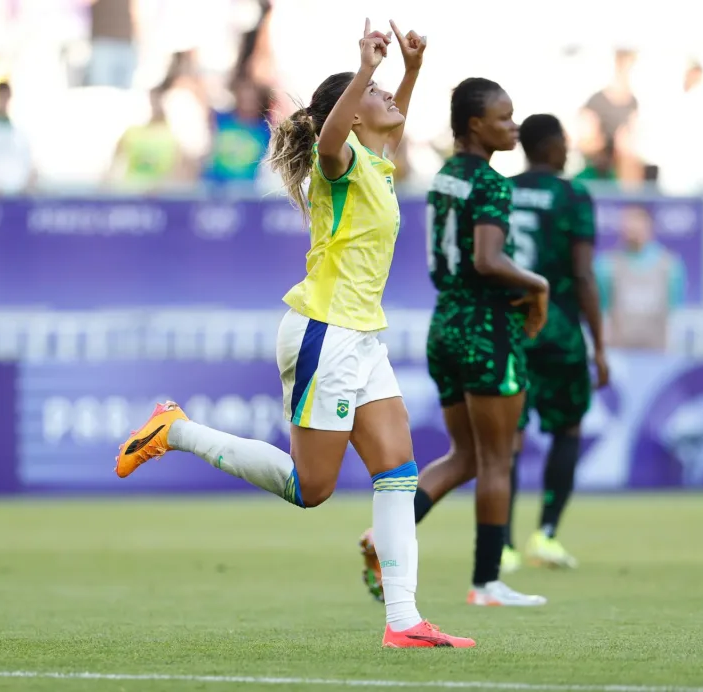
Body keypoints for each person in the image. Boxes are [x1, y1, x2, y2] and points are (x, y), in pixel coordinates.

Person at [115, 18, 475, 650]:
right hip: (324, 333)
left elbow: (378, 120)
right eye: (377, 94)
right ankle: (175, 430)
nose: (388, 97)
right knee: (312, 490)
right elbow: (337, 132)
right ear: (351, 114)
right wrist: (363, 68)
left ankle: (403, 622)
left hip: (362, 338)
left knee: (398, 473)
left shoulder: (376, 161)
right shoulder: (336, 161)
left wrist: (409, 73)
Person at [361, 78, 550, 607]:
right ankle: (487, 582)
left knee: (465, 455)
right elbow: (488, 261)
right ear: (475, 126)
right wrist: (538, 284)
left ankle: (384, 537)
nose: (514, 126)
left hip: (444, 324)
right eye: (504, 118)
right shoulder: (491, 184)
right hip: (487, 328)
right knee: (496, 459)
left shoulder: (445, 177)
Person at [501, 114, 609, 573]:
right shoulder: (572, 195)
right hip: (560, 328)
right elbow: (583, 274)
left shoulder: (500, 190)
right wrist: (599, 344)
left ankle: (501, 545)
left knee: (507, 437)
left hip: (511, 331)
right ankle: (545, 534)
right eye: (563, 143)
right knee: (566, 430)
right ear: (548, 147)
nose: (568, 151)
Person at [595, 204, 686, 351]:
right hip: (619, 353)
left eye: (637, 224)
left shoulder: (670, 265)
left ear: (649, 227)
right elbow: (603, 310)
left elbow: (674, 310)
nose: (632, 230)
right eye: (627, 225)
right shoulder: (606, 265)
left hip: (657, 351)